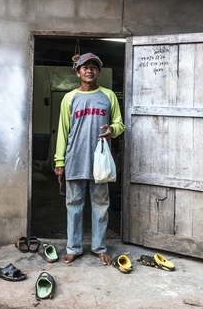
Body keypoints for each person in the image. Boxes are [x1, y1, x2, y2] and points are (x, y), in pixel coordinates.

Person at [54, 52, 125, 265]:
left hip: (100, 161)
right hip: (74, 158)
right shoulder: (69, 98)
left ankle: (99, 247)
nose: (89, 70)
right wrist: (59, 162)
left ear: (99, 72)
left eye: (93, 67)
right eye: (85, 67)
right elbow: (63, 131)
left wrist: (112, 130)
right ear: (78, 72)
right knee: (74, 205)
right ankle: (73, 248)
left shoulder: (108, 96)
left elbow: (120, 124)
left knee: (100, 205)